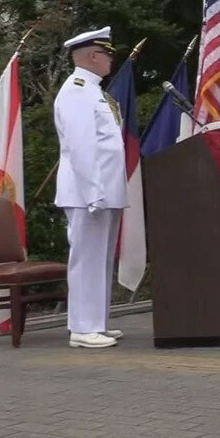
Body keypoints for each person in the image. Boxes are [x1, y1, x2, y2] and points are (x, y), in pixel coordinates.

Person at [53, 27, 127, 349]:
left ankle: (96, 323)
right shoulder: (77, 90)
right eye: (108, 53)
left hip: (103, 191)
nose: (111, 59)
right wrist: (94, 191)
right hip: (87, 193)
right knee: (86, 258)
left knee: (101, 260)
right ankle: (82, 328)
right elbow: (82, 147)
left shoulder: (94, 91)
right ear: (93, 56)